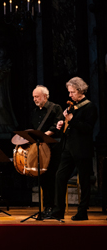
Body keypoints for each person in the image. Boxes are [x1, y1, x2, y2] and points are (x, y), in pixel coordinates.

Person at [47, 77, 98, 221]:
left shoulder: (90, 107)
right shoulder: (72, 107)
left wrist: (71, 119)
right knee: (60, 176)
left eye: (72, 92)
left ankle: (82, 212)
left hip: (82, 149)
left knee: (84, 181)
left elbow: (88, 128)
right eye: (69, 92)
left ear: (80, 91)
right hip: (68, 148)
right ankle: (58, 211)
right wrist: (61, 125)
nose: (70, 95)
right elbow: (70, 126)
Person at [28, 85, 63, 214]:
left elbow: (57, 125)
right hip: (40, 149)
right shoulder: (34, 112)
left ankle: (55, 207)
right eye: (33, 97)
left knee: (52, 177)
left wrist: (44, 135)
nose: (34, 99)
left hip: (53, 148)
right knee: (42, 177)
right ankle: (46, 206)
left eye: (37, 97)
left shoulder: (55, 108)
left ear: (45, 96)